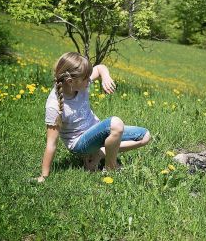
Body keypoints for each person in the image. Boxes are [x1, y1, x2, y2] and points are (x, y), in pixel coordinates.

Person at [37, 52, 151, 182]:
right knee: (116, 124)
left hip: (95, 131)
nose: (89, 81)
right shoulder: (54, 106)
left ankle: (99, 153)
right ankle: (110, 168)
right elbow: (51, 144)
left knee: (145, 136)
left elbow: (100, 68)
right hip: (80, 144)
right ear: (70, 81)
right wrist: (43, 176)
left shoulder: (79, 82)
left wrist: (106, 77)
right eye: (86, 78)